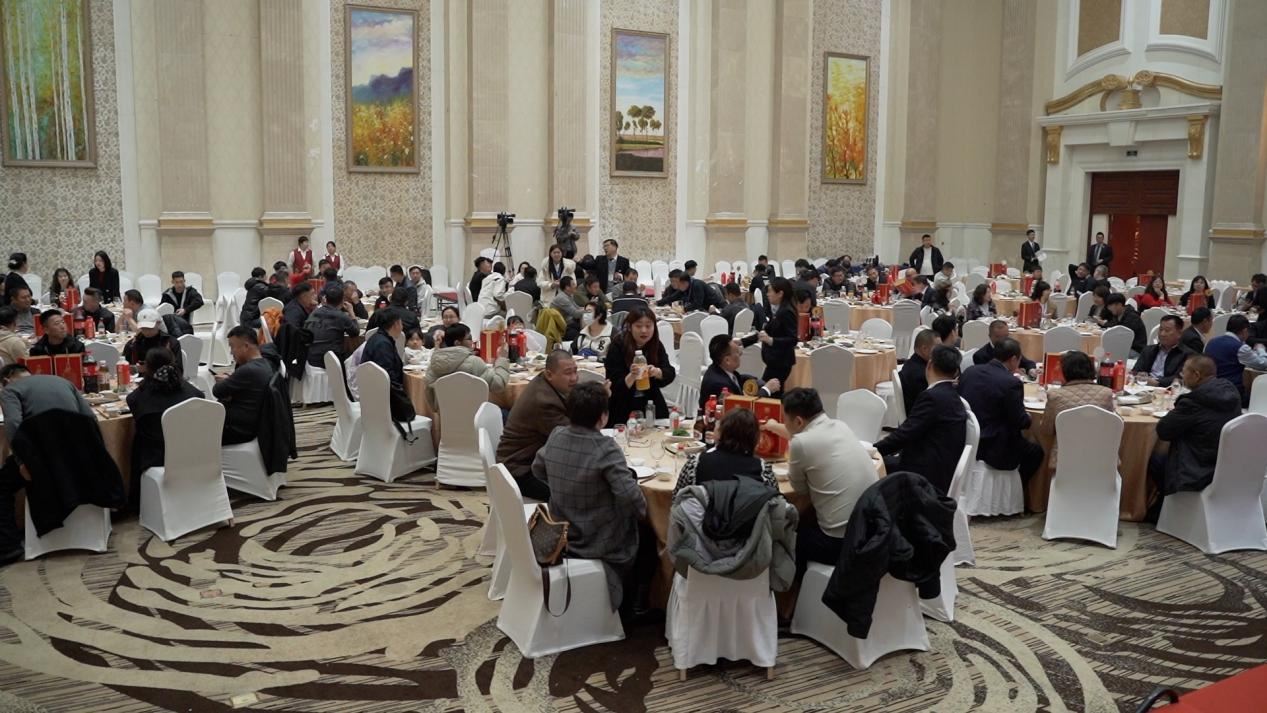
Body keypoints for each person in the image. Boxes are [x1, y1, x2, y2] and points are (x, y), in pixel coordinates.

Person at [531, 381, 651, 616]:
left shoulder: (557, 435)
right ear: (603, 417)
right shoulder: (605, 447)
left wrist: (564, 486)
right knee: (648, 534)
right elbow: (630, 498)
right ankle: (636, 606)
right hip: (595, 538)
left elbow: (538, 469)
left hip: (559, 528)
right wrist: (644, 513)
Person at [0, 363, 126, 563]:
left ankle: (8, 547)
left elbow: (13, 424)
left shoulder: (10, 390)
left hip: (43, 461)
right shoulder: (62, 381)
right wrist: (96, 455)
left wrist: (21, 461)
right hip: (81, 458)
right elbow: (89, 417)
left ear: (6, 381)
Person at [760, 388, 877, 574]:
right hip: (872, 533)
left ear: (798, 421)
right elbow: (804, 435)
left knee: (787, 534)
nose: (784, 423)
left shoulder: (800, 443)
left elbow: (800, 490)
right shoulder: (840, 426)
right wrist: (774, 426)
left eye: (785, 419)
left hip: (840, 544)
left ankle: (793, 589)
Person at [1149, 356, 1241, 515]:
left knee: (1155, 459)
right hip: (1227, 464)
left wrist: (1176, 410)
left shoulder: (1193, 402)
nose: (1182, 375)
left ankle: (1165, 510)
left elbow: (1164, 430)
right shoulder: (1231, 392)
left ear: (1196, 375)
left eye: (1184, 372)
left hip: (1197, 468)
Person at [874, 345, 967, 494]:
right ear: (956, 371)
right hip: (942, 467)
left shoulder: (932, 397)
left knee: (871, 466)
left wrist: (874, 450)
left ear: (929, 364)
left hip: (924, 473)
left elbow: (904, 434)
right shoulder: (951, 394)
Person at [124, 348, 203, 510]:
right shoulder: (191, 392)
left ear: (147, 367)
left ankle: (133, 498)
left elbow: (133, 404)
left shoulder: (139, 397)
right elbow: (200, 397)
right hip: (191, 451)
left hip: (156, 457)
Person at [959, 337, 1044, 482]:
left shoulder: (969, 372)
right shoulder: (1011, 383)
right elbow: (1020, 422)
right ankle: (1017, 488)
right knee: (1036, 452)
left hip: (966, 437)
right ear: (1013, 359)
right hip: (994, 447)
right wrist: (1028, 417)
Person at [497, 350, 578, 501]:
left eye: (575, 371)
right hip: (520, 471)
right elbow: (573, 437)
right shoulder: (544, 402)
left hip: (531, 461)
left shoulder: (545, 383)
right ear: (549, 374)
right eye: (568, 373)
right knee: (577, 495)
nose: (574, 378)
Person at [672, 408, 777, 497]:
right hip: (750, 516)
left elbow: (677, 499)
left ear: (719, 433)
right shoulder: (763, 469)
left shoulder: (696, 463)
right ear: (756, 438)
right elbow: (775, 502)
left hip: (705, 515)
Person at [1038, 351, 1114, 469]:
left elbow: (1047, 430)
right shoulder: (1106, 394)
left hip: (1065, 462)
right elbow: (1112, 426)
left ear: (1066, 372)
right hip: (1102, 462)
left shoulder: (1055, 396)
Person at [604, 304, 676, 420]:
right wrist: (632, 376)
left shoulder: (656, 345)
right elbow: (613, 385)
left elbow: (670, 372)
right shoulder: (618, 345)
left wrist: (657, 372)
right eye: (638, 326)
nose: (644, 330)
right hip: (623, 404)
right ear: (630, 327)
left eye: (648, 326)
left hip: (651, 401)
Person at [424, 324, 511, 410]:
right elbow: (499, 385)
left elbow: (430, 397)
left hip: (445, 416)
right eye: (469, 338)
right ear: (457, 343)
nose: (472, 341)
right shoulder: (473, 363)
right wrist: (502, 359)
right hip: (476, 416)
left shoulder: (434, 364)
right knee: (507, 410)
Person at [213, 326, 275, 445]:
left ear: (246, 346)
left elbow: (217, 391)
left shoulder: (247, 370)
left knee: (194, 429)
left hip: (238, 429)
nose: (231, 352)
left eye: (232, 347)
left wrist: (223, 381)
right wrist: (231, 381)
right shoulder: (265, 365)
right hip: (253, 424)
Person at [740, 278, 803, 395]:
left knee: (768, 394)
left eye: (770, 291)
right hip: (776, 362)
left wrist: (771, 340)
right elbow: (765, 332)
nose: (767, 294)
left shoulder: (786, 312)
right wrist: (742, 342)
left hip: (781, 362)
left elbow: (793, 339)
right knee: (773, 394)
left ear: (780, 293)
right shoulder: (779, 310)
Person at [700, 335, 779, 410]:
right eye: (737, 352)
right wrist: (766, 390)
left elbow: (736, 378)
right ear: (727, 360)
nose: (741, 354)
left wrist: (753, 381)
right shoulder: (720, 384)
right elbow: (743, 409)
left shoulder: (719, 369)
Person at [1205, 314, 1267, 404]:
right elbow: (1262, 364)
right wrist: (1261, 350)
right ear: (1245, 331)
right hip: (1232, 394)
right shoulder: (1240, 348)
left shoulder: (1211, 342)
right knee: (1260, 396)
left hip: (1209, 391)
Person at [305, 284, 361, 368]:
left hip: (311, 358)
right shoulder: (340, 316)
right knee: (354, 355)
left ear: (326, 299)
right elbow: (355, 332)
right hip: (332, 361)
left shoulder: (314, 312)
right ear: (342, 300)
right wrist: (351, 312)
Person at [1133, 315, 1193, 387]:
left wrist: (1158, 383)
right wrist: (1139, 375)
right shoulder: (1148, 350)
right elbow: (1136, 371)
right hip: (1143, 386)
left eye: (1167, 330)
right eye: (1160, 330)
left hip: (1167, 389)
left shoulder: (1187, 355)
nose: (1162, 334)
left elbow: (1180, 378)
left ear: (1179, 333)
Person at [123, 309, 184, 375]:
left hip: (163, 380)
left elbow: (178, 371)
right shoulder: (133, 344)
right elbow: (124, 366)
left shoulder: (170, 343)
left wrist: (150, 369)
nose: (146, 331)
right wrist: (135, 369)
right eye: (143, 328)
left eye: (149, 328)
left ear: (158, 323)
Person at [362, 310, 407, 391]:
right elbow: (387, 376)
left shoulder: (378, 338)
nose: (402, 327)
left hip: (372, 388)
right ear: (396, 324)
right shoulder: (383, 344)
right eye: (401, 323)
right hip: (382, 392)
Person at [899, 330, 936, 413]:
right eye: (938, 348)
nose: (941, 351)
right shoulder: (921, 374)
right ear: (924, 349)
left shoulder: (910, 363)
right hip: (919, 415)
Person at [1102, 293, 1147, 357]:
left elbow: (1123, 336)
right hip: (1124, 346)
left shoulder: (1132, 317)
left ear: (1119, 305)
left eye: (1110, 306)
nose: (1109, 308)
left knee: (1106, 354)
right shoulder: (1118, 314)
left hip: (1135, 350)